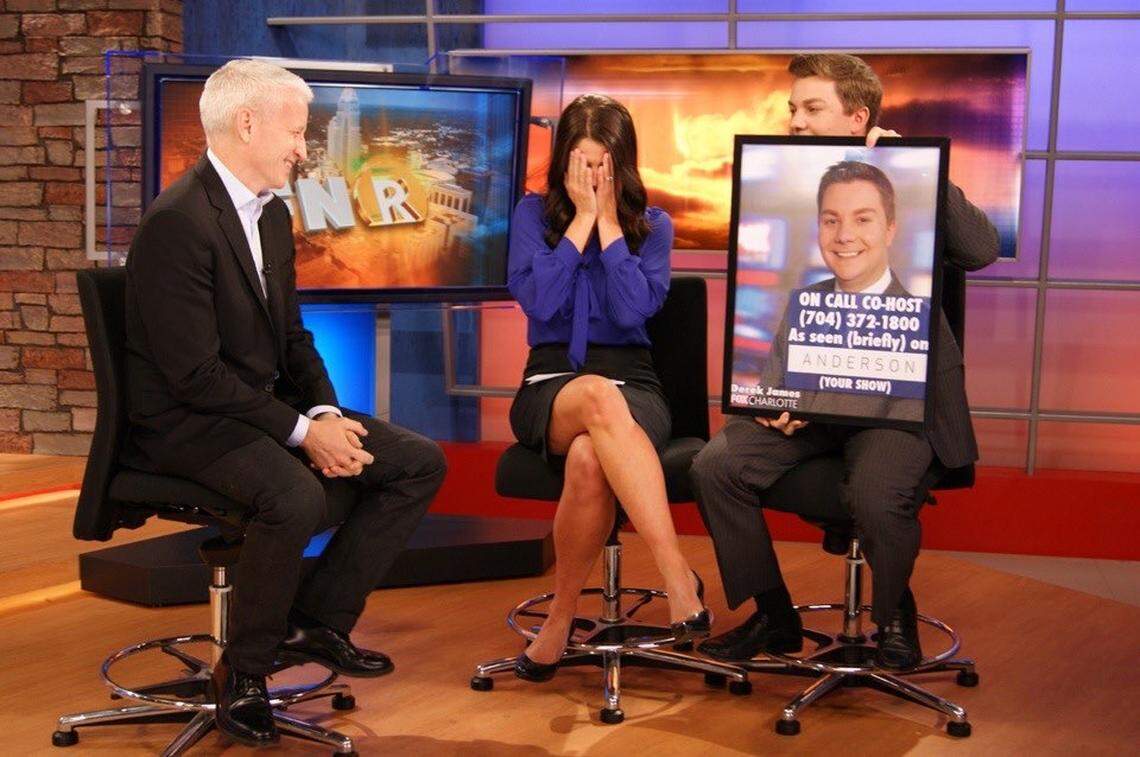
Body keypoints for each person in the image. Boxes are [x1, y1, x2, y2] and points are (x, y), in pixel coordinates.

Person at [122, 59, 447, 747]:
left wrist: (325, 414)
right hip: (186, 422)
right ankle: (243, 674)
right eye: (295, 132)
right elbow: (193, 377)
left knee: (415, 461)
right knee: (295, 497)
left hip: (252, 406)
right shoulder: (178, 222)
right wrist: (302, 434)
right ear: (247, 124)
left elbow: (293, 338)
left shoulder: (269, 217)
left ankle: (319, 621)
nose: (303, 148)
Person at [692, 53, 999, 670]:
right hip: (816, 409)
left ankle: (893, 617)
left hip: (900, 410)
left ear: (857, 116)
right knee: (714, 465)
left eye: (812, 108)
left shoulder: (911, 180)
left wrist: (918, 167)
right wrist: (776, 403)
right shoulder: (806, 297)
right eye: (792, 109)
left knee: (877, 490)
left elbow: (982, 249)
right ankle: (774, 618)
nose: (796, 120)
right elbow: (777, 366)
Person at [506, 93, 708, 682]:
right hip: (552, 384)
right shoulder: (529, 218)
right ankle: (676, 573)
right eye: (580, 161)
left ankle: (561, 617)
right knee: (594, 395)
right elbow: (540, 302)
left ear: (621, 165)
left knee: (594, 453)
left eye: (602, 164)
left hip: (635, 386)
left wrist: (612, 225)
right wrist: (580, 224)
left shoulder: (656, 228)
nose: (591, 176)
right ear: (562, 162)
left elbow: (630, 310)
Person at [758, 160, 924, 423]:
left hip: (871, 438)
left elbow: (908, 418)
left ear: (890, 230)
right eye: (831, 220)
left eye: (862, 220)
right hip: (793, 436)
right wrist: (769, 411)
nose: (844, 235)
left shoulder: (919, 318)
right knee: (715, 462)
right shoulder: (803, 302)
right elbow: (768, 392)